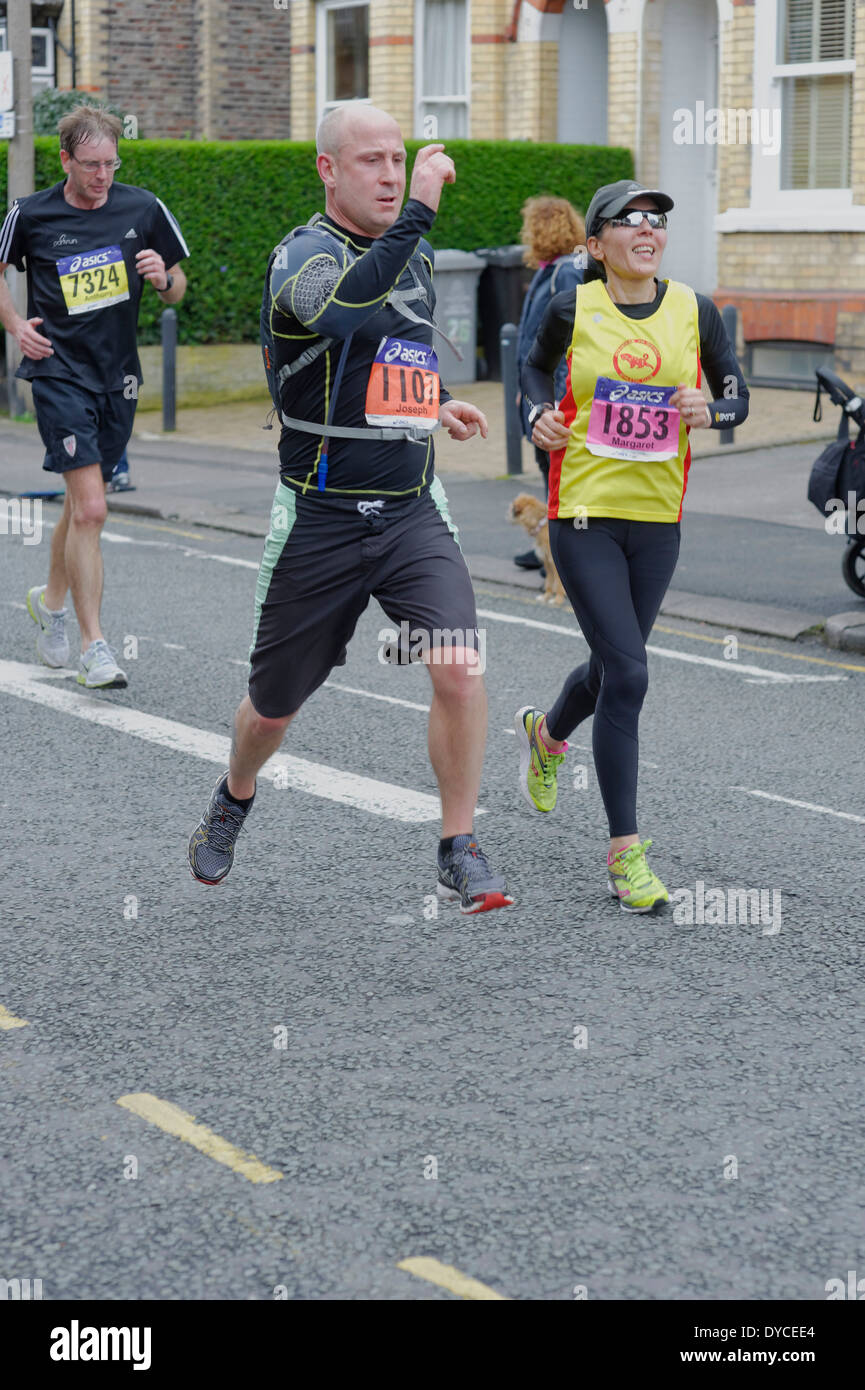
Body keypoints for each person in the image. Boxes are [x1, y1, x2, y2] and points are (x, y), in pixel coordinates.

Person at [187, 103, 513, 915]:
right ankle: (234, 795)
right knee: (272, 708)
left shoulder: (417, 255)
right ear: (328, 170)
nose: (392, 176)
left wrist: (431, 404)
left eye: (398, 160)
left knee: (460, 666)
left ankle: (457, 844)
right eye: (371, 160)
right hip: (320, 518)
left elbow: (385, 355)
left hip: (409, 509)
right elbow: (336, 313)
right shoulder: (300, 256)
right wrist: (419, 215)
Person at [516, 179, 749, 912]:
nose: (647, 229)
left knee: (615, 666)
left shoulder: (693, 310)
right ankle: (626, 855)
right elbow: (529, 368)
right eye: (628, 220)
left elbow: (737, 394)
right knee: (630, 673)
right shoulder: (570, 304)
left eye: (656, 220)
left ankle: (548, 734)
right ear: (596, 245)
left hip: (656, 522)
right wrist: (535, 418)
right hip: (581, 512)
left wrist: (710, 407)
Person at [0, 105, 188, 687]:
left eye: (111, 163)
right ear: (65, 160)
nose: (103, 175)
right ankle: (94, 645)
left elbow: (178, 291)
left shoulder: (143, 207)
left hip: (118, 377)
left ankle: (50, 602)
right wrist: (15, 325)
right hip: (56, 372)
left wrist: (162, 279)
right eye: (90, 165)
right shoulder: (30, 214)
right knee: (95, 508)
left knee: (81, 505)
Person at [514, 196, 585, 571]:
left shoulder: (564, 273)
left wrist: (552, 400)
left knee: (559, 475)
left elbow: (569, 342)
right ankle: (549, 545)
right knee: (548, 469)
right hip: (540, 393)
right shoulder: (551, 270)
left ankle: (560, 554)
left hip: (555, 397)